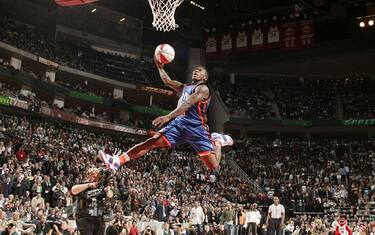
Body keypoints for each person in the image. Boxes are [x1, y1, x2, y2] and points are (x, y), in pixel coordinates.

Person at [99, 59, 233, 171]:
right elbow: (167, 81)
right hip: (180, 125)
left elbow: (187, 104)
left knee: (214, 166)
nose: (196, 71)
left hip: (197, 128)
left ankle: (218, 142)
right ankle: (118, 161)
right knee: (151, 142)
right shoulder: (184, 87)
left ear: (205, 77)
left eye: (199, 70)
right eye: (195, 70)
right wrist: (160, 67)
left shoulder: (203, 89)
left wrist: (168, 116)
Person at [71, 168, 114, 235]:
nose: (95, 177)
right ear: (88, 175)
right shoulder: (83, 184)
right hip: (85, 217)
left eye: (96, 175)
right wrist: (89, 185)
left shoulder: (100, 186)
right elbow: (73, 190)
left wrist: (108, 189)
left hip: (98, 217)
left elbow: (110, 195)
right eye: (93, 175)